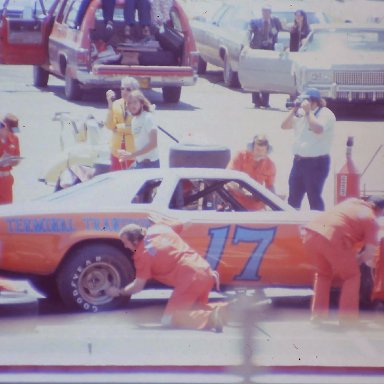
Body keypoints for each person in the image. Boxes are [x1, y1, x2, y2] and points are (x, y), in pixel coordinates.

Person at [107, 216, 227, 332]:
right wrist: (163, 220)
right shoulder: (159, 228)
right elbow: (187, 221)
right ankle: (228, 308)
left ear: (135, 240)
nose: (125, 246)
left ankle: (209, 318)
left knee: (169, 319)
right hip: (206, 271)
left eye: (125, 242)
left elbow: (138, 286)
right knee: (195, 308)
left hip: (190, 279)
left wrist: (119, 292)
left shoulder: (142, 256)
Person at [303, 196, 384, 324]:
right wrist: (354, 262)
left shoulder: (350, 203)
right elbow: (369, 253)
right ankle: (348, 319)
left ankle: (318, 316)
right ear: (380, 210)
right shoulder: (371, 219)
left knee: (323, 275)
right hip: (333, 237)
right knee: (352, 275)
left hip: (311, 233)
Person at [281, 87, 336, 211]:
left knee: (314, 197)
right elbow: (284, 125)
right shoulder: (300, 113)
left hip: (316, 163)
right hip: (299, 161)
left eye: (304, 100)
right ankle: (291, 226)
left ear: (313, 101)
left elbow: (318, 129)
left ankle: (318, 226)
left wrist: (308, 113)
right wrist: (294, 109)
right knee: (293, 197)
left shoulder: (325, 114)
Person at [227, 135, 276, 210]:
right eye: (257, 150)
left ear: (267, 150)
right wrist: (243, 191)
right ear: (252, 147)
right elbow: (228, 179)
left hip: (255, 207)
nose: (259, 153)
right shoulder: (240, 156)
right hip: (233, 202)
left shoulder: (270, 165)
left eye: (262, 151)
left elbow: (270, 186)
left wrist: (273, 199)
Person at [249, 4, 283, 108]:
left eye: (268, 12)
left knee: (266, 76)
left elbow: (281, 31)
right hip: (257, 51)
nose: (266, 14)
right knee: (255, 75)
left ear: (270, 13)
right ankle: (256, 100)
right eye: (264, 12)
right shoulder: (255, 22)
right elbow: (249, 33)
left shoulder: (275, 22)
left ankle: (265, 101)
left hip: (269, 51)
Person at [118, 89, 160, 169]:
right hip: (139, 162)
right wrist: (128, 154)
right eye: (129, 103)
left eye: (135, 102)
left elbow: (153, 144)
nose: (132, 105)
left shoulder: (148, 118)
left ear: (141, 103)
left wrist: (131, 155)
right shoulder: (134, 120)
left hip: (150, 164)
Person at [105, 76, 139, 171]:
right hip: (116, 149)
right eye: (122, 88)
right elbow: (109, 125)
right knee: (115, 177)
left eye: (128, 89)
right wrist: (110, 106)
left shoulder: (141, 106)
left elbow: (137, 127)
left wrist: (119, 128)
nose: (124, 91)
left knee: (130, 179)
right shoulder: (116, 104)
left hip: (132, 151)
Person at [0, 114, 21, 205]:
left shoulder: (14, 139)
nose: (12, 133)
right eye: (10, 130)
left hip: (6, 180)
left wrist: (13, 161)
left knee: (7, 208)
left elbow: (16, 160)